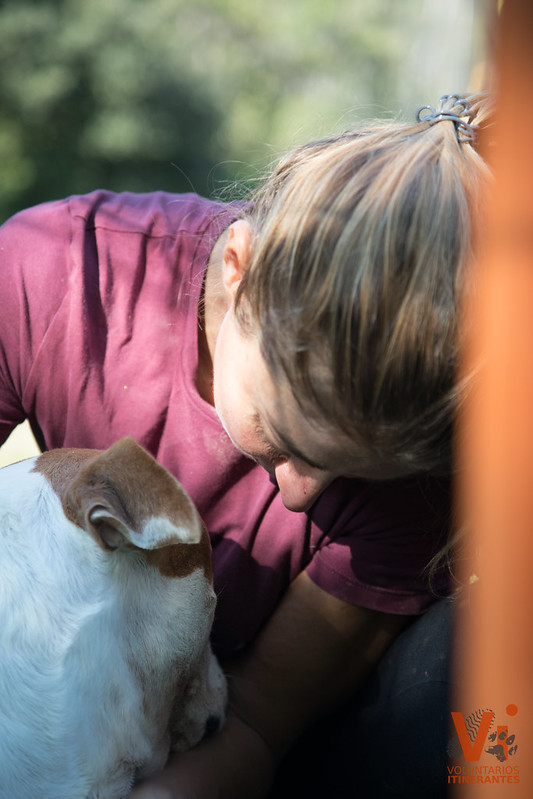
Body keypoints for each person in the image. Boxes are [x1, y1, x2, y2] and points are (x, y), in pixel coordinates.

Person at [0, 92, 490, 798]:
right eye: (289, 439)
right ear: (239, 265)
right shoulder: (52, 277)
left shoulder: (421, 478)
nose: (299, 496)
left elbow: (259, 723)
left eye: (355, 474)